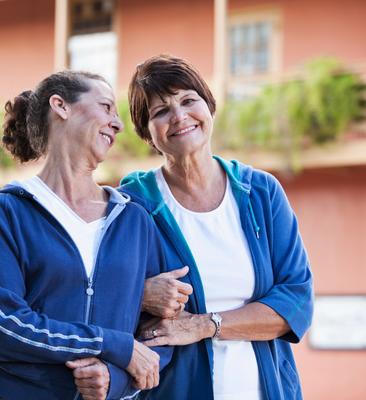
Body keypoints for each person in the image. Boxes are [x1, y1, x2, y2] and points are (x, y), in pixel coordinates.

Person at [0, 70, 188, 400]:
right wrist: (112, 344)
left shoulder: (134, 218)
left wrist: (113, 379)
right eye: (107, 107)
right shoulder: (5, 211)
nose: (118, 123)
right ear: (61, 106)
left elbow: (160, 331)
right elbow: (3, 327)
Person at [116, 54, 314, 400]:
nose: (179, 116)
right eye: (161, 111)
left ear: (209, 106)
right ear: (146, 134)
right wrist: (138, 292)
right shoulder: (131, 205)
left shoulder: (261, 193)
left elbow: (296, 301)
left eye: (188, 100)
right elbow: (92, 297)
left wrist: (204, 325)